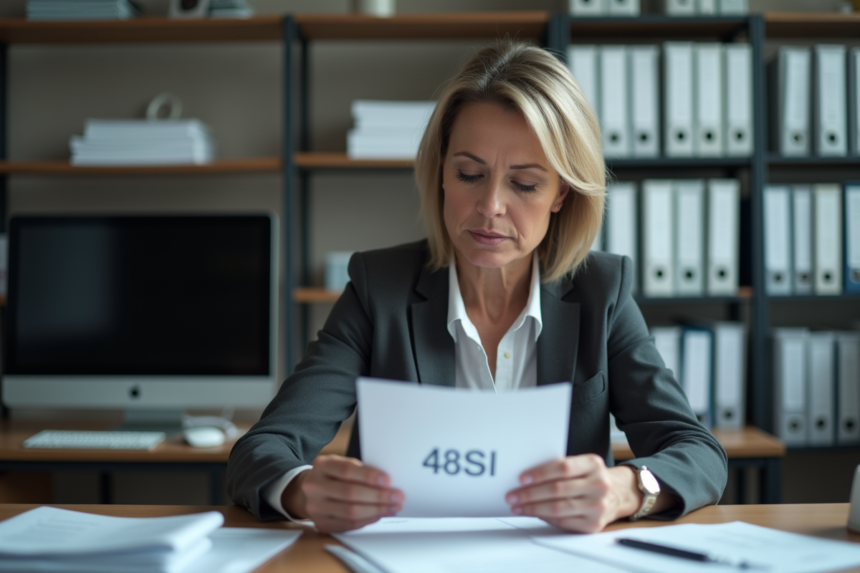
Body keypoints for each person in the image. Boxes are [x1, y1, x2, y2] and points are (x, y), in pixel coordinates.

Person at [227, 41, 727, 534]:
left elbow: (698, 452)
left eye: (525, 184)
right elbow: (261, 449)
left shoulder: (602, 292)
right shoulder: (378, 289)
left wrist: (627, 489)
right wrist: (301, 490)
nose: (490, 206)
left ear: (562, 193)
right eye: (469, 174)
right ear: (442, 173)